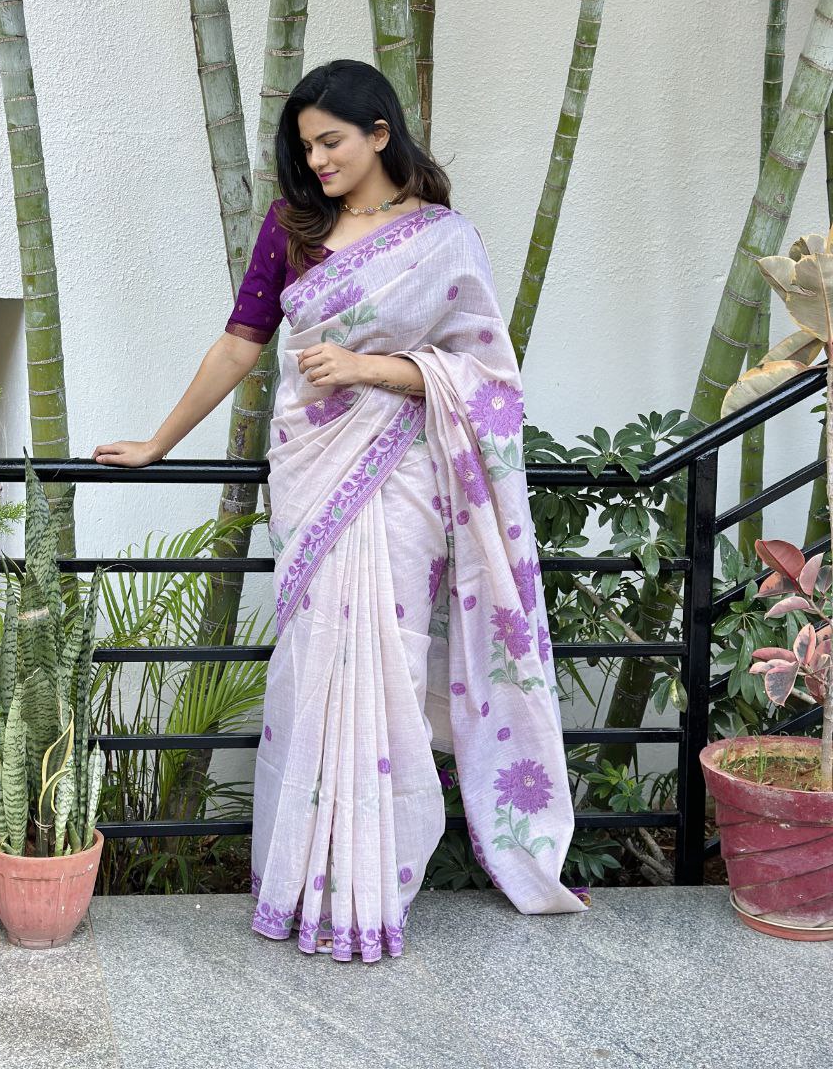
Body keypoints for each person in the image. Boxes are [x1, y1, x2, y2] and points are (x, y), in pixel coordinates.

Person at [93, 58, 589, 963]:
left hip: (404, 484)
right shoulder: (293, 227)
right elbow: (240, 343)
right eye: (307, 146)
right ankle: (305, 882)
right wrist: (159, 441)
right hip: (313, 476)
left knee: (387, 667)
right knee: (314, 665)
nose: (317, 160)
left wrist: (371, 368)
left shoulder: (444, 240)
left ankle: (373, 889)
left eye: (331, 142)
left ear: (380, 133)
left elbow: (488, 381)